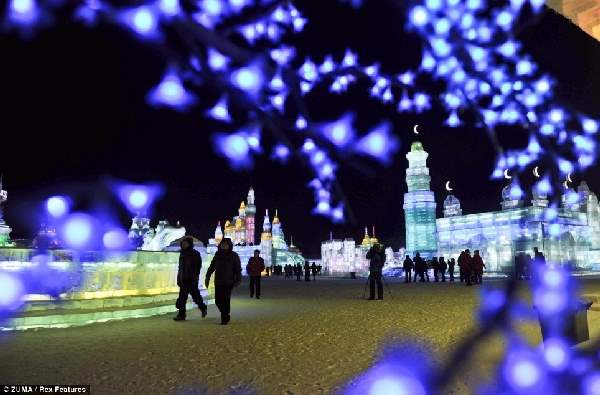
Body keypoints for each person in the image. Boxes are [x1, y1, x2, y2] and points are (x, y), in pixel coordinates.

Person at [205, 238, 242, 325]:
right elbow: (211, 267)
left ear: (229, 246)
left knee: (225, 300)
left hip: (229, 281)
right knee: (218, 301)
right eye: (222, 244)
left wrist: (238, 279)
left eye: (226, 244)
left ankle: (224, 317)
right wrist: (207, 277)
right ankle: (225, 314)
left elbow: (237, 269)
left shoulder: (234, 255)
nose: (224, 246)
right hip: (218, 281)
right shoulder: (217, 255)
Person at [174, 237, 207, 321]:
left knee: (196, 297)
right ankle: (181, 315)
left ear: (190, 244)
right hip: (183, 279)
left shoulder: (195, 254)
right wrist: (179, 278)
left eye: (185, 243)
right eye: (183, 243)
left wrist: (194, 278)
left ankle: (203, 308)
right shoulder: (182, 254)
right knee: (182, 298)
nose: (184, 245)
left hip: (191, 279)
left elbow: (197, 267)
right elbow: (180, 268)